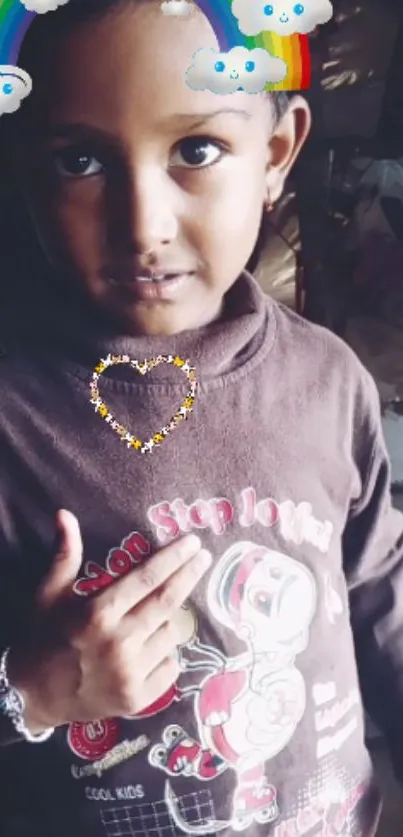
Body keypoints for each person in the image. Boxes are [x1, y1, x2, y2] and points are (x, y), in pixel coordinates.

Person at [0, 1, 402, 836]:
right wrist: (33, 691)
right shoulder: (13, 418)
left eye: (196, 149)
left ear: (275, 153)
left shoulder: (330, 379)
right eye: (80, 161)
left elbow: (377, 592)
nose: (142, 226)